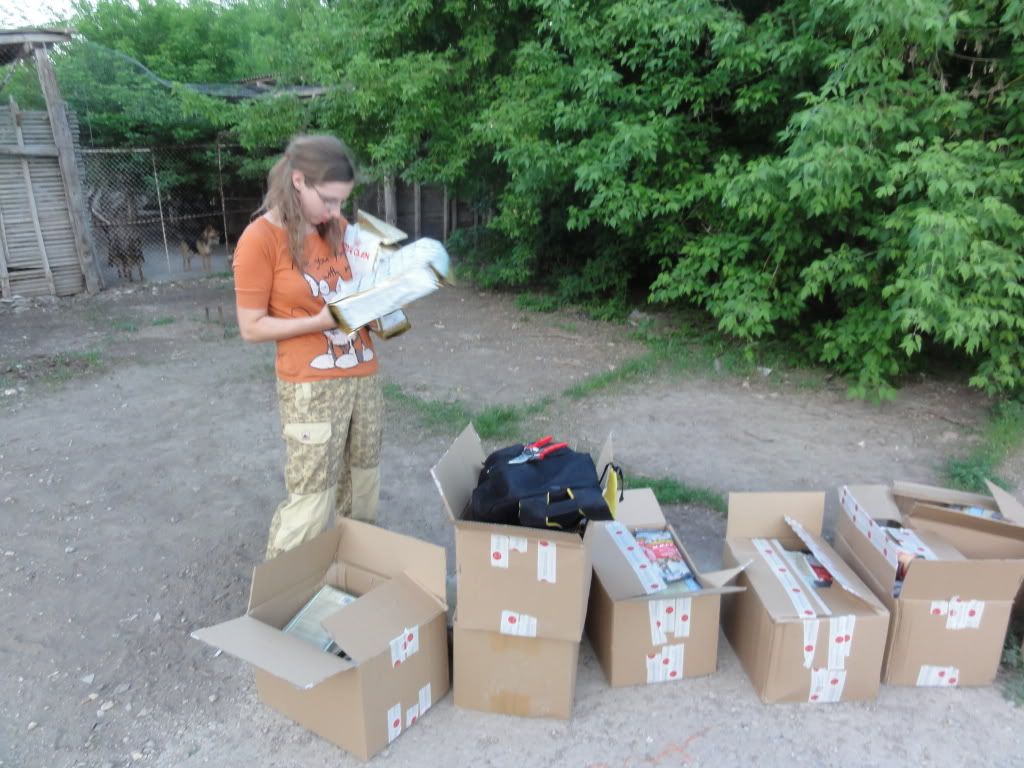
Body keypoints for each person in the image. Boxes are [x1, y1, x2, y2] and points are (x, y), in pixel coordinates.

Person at [232, 134, 383, 560]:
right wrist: (318, 322)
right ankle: (277, 605)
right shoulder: (259, 240)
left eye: (342, 203)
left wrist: (386, 301)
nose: (338, 213)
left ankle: (354, 574)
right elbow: (251, 327)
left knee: (363, 487)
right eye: (330, 201)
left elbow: (367, 288)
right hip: (310, 387)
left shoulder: (338, 231)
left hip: (363, 377)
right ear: (298, 181)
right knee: (312, 500)